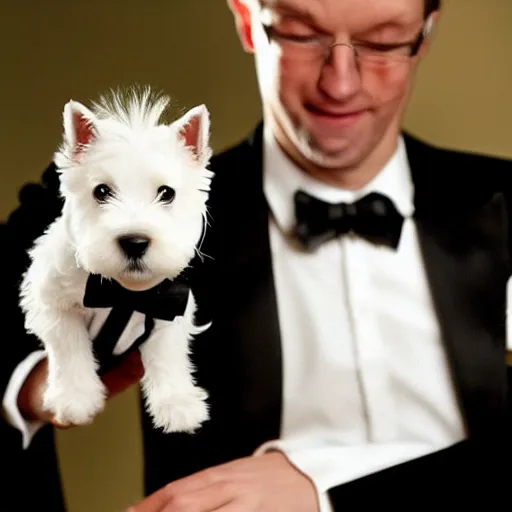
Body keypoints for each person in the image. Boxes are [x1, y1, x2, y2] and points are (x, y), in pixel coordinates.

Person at [1, 0, 510, 510]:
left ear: (424, 34)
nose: (341, 84)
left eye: (381, 42)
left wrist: (325, 490)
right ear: (247, 19)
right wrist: (31, 386)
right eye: (303, 35)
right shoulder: (131, 202)